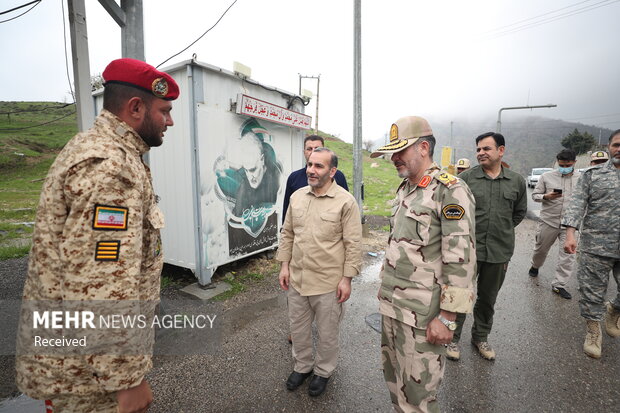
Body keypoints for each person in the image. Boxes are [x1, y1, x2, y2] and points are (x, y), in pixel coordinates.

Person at [15, 58, 178, 413]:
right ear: (136, 108)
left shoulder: (95, 148)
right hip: (88, 378)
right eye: (164, 111)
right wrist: (126, 380)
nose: (170, 121)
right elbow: (101, 282)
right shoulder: (111, 168)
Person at [371, 116, 476, 412]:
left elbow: (461, 260)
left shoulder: (450, 190)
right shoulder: (405, 189)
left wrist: (447, 318)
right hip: (393, 308)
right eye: (392, 152)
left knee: (419, 398)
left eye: (400, 151)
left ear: (424, 148)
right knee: (396, 387)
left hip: (423, 316)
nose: (394, 158)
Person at [277, 147, 361, 397]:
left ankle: (323, 372)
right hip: (297, 279)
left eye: (319, 166)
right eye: (310, 164)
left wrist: (347, 279)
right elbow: (288, 232)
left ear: (332, 171)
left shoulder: (346, 202)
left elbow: (353, 243)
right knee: (299, 328)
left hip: (328, 282)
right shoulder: (298, 197)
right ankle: (302, 367)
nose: (311, 170)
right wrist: (284, 265)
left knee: (327, 333)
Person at [448, 132, 527, 362]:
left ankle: (480, 336)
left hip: (499, 250)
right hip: (468, 250)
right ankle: (453, 338)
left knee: (487, 298)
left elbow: (519, 213)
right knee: (460, 293)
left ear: (501, 151)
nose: (480, 153)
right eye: (478, 149)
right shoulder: (467, 179)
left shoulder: (516, 181)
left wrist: (501, 230)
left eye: (486, 149)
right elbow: (455, 212)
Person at [562, 131, 620, 359]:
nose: (619, 149)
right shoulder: (593, 175)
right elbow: (576, 205)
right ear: (609, 147)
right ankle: (593, 331)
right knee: (592, 292)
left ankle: (613, 310)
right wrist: (570, 235)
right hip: (597, 245)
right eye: (616, 145)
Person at [527, 149, 580, 299]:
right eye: (561, 165)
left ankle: (559, 285)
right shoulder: (546, 176)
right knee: (540, 250)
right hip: (548, 221)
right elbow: (535, 195)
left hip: (569, 225)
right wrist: (546, 196)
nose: (564, 167)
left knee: (568, 256)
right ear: (557, 163)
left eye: (568, 164)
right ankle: (535, 266)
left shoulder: (581, 178)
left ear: (574, 162)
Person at [281, 135, 348, 223]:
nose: (313, 152)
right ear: (304, 152)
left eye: (317, 148)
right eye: (309, 149)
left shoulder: (338, 176)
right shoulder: (294, 178)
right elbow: (287, 212)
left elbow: (345, 207)